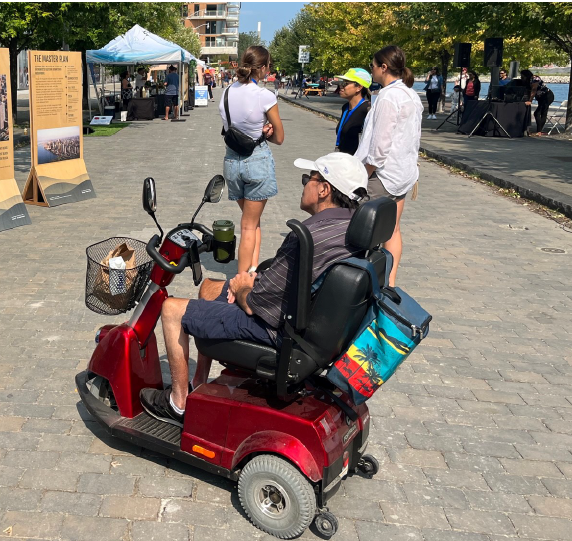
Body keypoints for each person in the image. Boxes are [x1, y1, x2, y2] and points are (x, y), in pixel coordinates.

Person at [139, 153, 370, 425]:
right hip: (307, 324)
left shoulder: (306, 237)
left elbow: (254, 304)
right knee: (207, 288)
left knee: (171, 309)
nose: (305, 183)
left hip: (276, 330)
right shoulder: (351, 229)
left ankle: (177, 403)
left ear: (324, 189)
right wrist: (249, 281)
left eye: (310, 178)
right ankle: (198, 383)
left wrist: (241, 287)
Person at [355, 44, 422, 287]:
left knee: (363, 232)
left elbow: (379, 145)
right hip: (404, 173)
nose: (371, 71)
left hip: (382, 175)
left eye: (373, 67)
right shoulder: (410, 94)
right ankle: (389, 283)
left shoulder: (388, 97)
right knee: (392, 229)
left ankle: (363, 281)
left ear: (384, 68)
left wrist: (364, 174)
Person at [219, 45, 285, 277]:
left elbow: (232, 127)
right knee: (248, 225)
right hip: (256, 162)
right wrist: (265, 131)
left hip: (232, 164)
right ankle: (240, 282)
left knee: (252, 221)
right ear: (264, 67)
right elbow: (279, 137)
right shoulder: (264, 95)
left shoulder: (226, 92)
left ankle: (254, 268)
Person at [334, 68, 372, 155]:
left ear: (359, 87)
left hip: (356, 163)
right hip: (342, 159)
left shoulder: (367, 110)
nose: (341, 86)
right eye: (341, 83)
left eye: (345, 84)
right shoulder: (345, 107)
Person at [521, 69, 555, 136]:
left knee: (538, 113)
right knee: (541, 113)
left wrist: (530, 100)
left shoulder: (535, 78)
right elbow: (529, 92)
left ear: (527, 75)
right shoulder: (527, 82)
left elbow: (534, 90)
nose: (522, 78)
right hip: (540, 97)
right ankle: (539, 131)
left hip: (547, 95)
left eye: (523, 77)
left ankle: (539, 131)